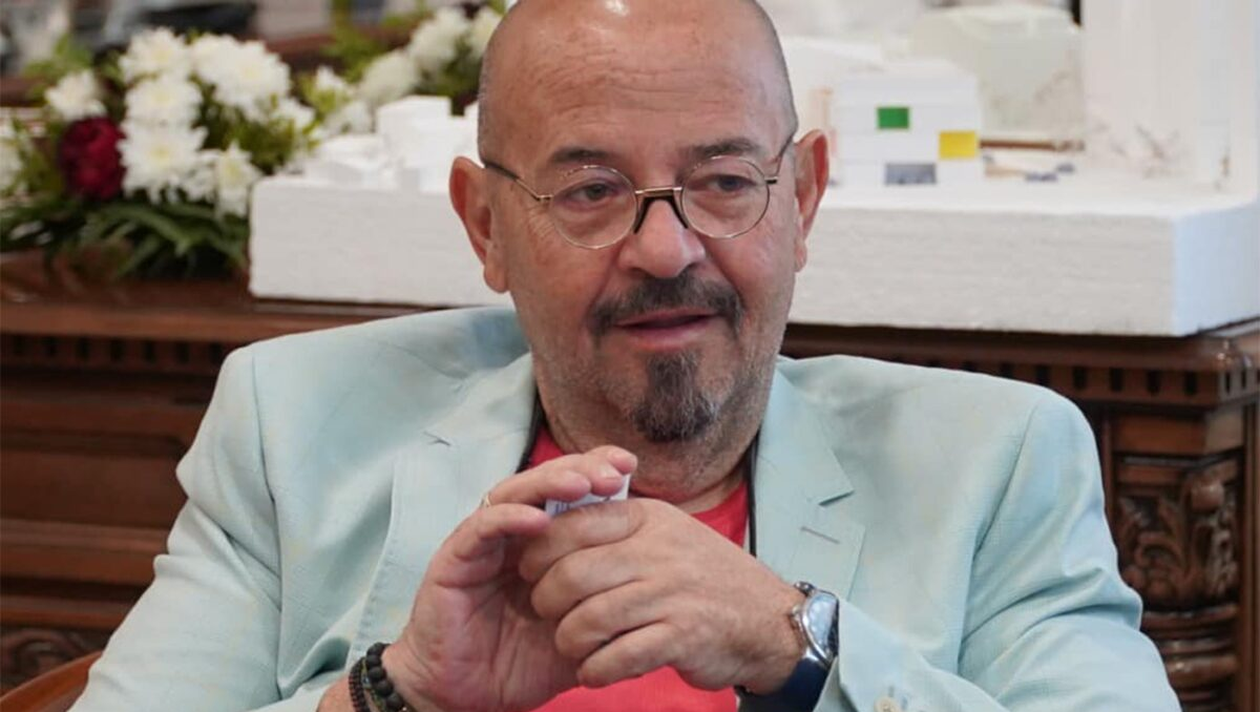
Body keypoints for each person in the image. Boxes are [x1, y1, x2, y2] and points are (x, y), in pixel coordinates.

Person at [70, 1, 1179, 711]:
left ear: (801, 200)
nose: (666, 248)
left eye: (725, 182)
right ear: (485, 226)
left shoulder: (994, 462)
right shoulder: (295, 424)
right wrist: (395, 694)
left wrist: (801, 646)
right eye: (592, 190)